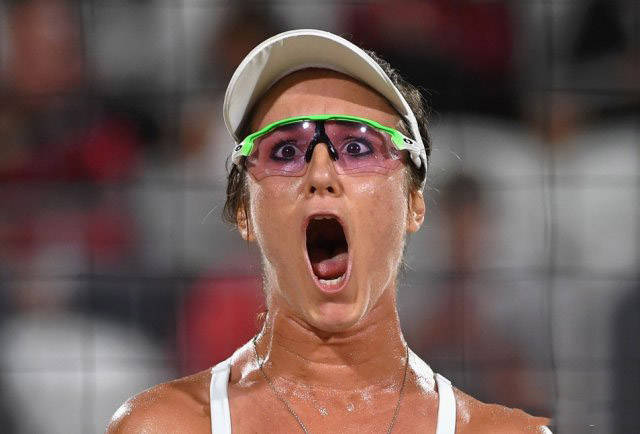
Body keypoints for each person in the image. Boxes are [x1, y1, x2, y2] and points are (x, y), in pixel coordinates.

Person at [107, 29, 551, 433]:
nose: (320, 173)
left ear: (415, 205)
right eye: (285, 151)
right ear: (244, 212)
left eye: (357, 146)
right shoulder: (163, 427)